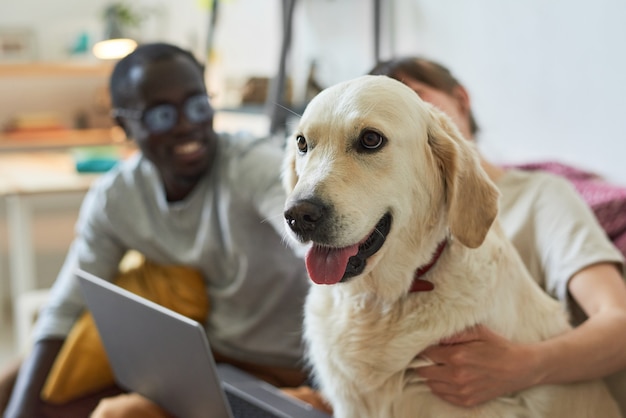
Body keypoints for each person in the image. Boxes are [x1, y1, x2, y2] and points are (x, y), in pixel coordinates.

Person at [2, 42, 313, 418]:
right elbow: (67, 306)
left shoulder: (253, 167)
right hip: (208, 368)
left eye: (198, 105)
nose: (187, 126)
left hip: (298, 367)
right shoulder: (118, 198)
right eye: (161, 115)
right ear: (123, 124)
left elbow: (308, 239)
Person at [369, 56, 626, 413]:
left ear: (461, 99)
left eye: (417, 97)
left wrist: (520, 367)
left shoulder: (540, 196)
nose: (413, 121)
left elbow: (620, 323)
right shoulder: (387, 219)